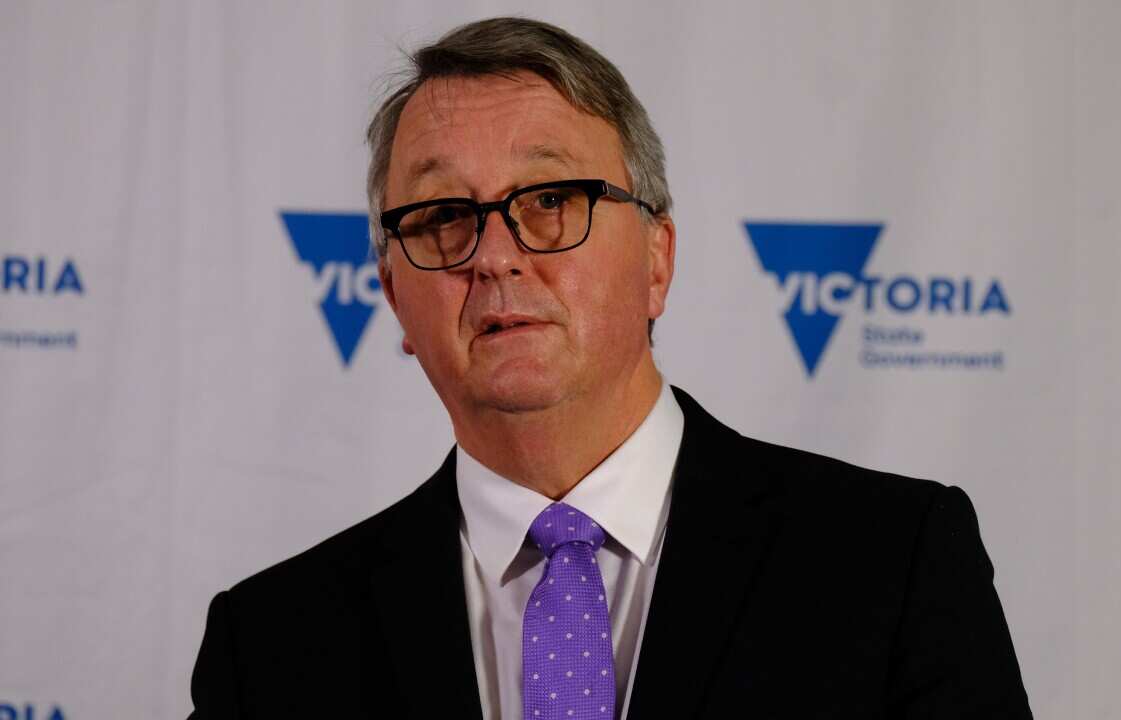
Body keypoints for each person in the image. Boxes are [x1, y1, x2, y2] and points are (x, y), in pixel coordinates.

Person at [189, 16, 1032, 720]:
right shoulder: (269, 645)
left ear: (657, 260)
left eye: (549, 201)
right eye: (444, 215)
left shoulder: (891, 562)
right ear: (392, 293)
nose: (493, 257)